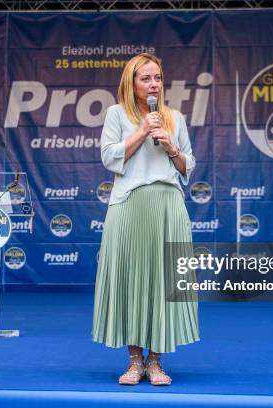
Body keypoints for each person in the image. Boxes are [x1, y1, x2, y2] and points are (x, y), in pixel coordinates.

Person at [92, 53, 199, 386]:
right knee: (132, 281)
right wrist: (141, 131)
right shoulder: (116, 114)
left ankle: (156, 362)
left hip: (167, 205)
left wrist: (173, 150)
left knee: (164, 283)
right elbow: (110, 157)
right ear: (131, 82)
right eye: (146, 78)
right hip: (129, 205)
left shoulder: (174, 117)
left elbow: (188, 166)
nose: (154, 84)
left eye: (158, 78)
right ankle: (135, 361)